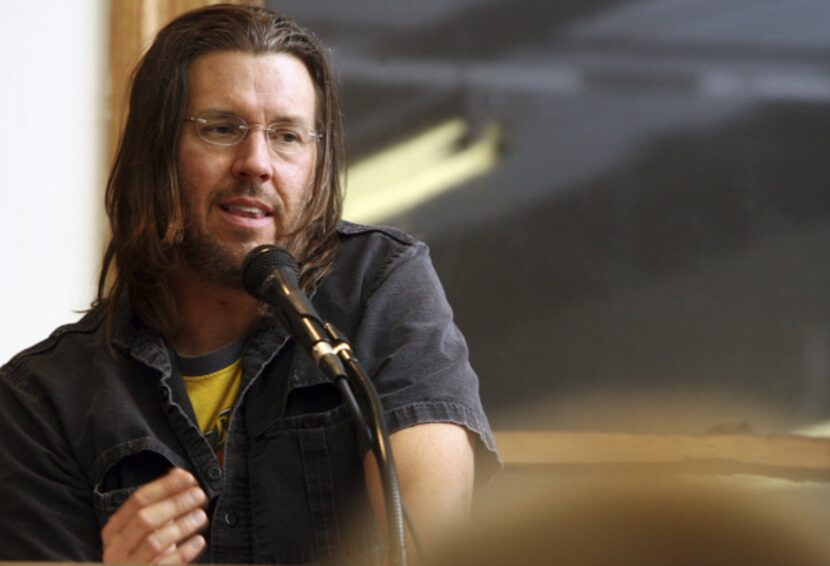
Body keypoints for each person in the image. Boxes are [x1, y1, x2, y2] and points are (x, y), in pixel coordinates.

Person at [0, 5, 499, 564]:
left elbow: (430, 544)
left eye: (287, 135)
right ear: (153, 150)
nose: (256, 163)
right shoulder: (39, 402)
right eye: (222, 128)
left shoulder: (378, 285)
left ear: (317, 161)